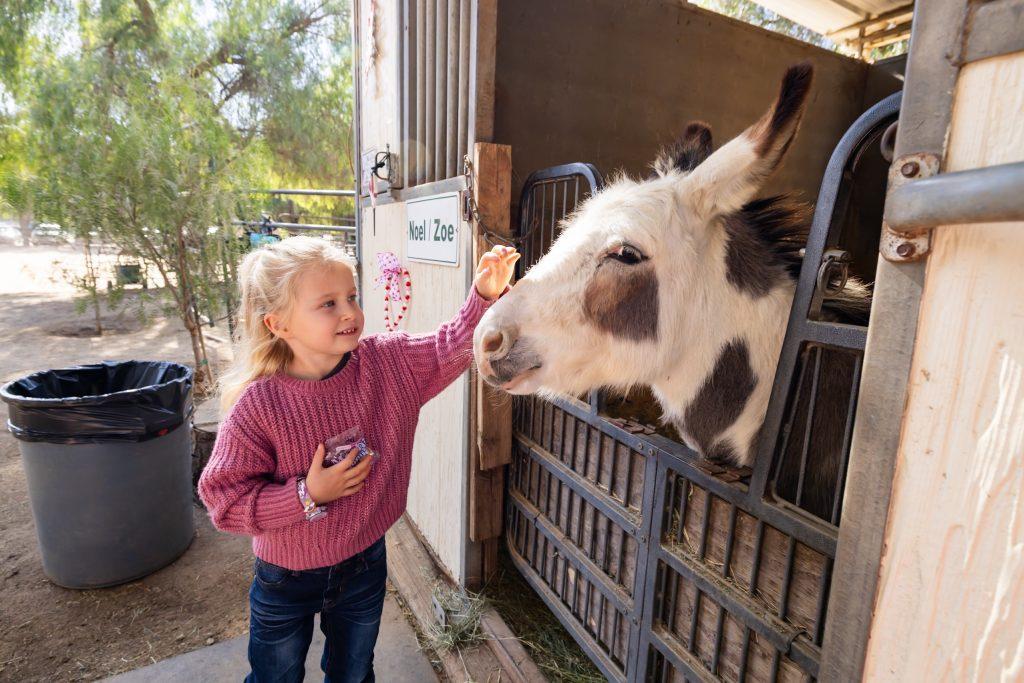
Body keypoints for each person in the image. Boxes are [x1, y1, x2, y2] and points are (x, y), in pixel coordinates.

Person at [198, 236, 518, 682]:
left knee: (353, 671)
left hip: (364, 561)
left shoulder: (387, 365)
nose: (349, 312)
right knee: (276, 675)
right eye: (327, 304)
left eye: (351, 296)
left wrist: (484, 294)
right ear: (278, 324)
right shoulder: (260, 406)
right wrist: (309, 495)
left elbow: (450, 347)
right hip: (284, 577)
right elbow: (224, 503)